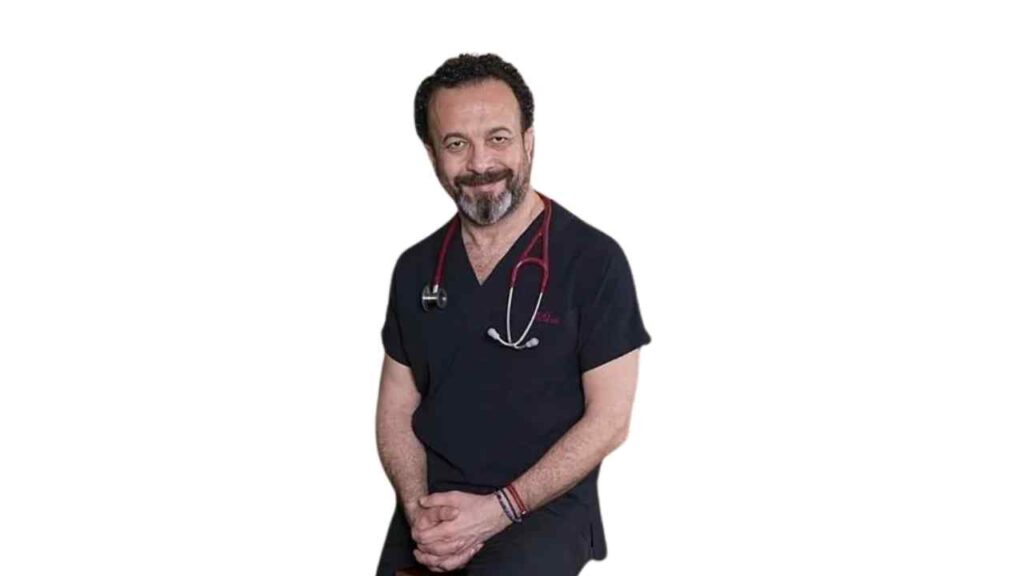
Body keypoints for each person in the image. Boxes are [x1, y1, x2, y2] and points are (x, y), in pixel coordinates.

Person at [374, 53, 651, 576]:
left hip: (542, 510)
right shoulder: (415, 270)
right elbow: (394, 410)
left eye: (498, 138)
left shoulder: (593, 261)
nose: (480, 163)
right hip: (434, 513)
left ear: (528, 141)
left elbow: (611, 420)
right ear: (432, 154)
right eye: (456, 144)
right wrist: (416, 508)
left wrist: (499, 509)